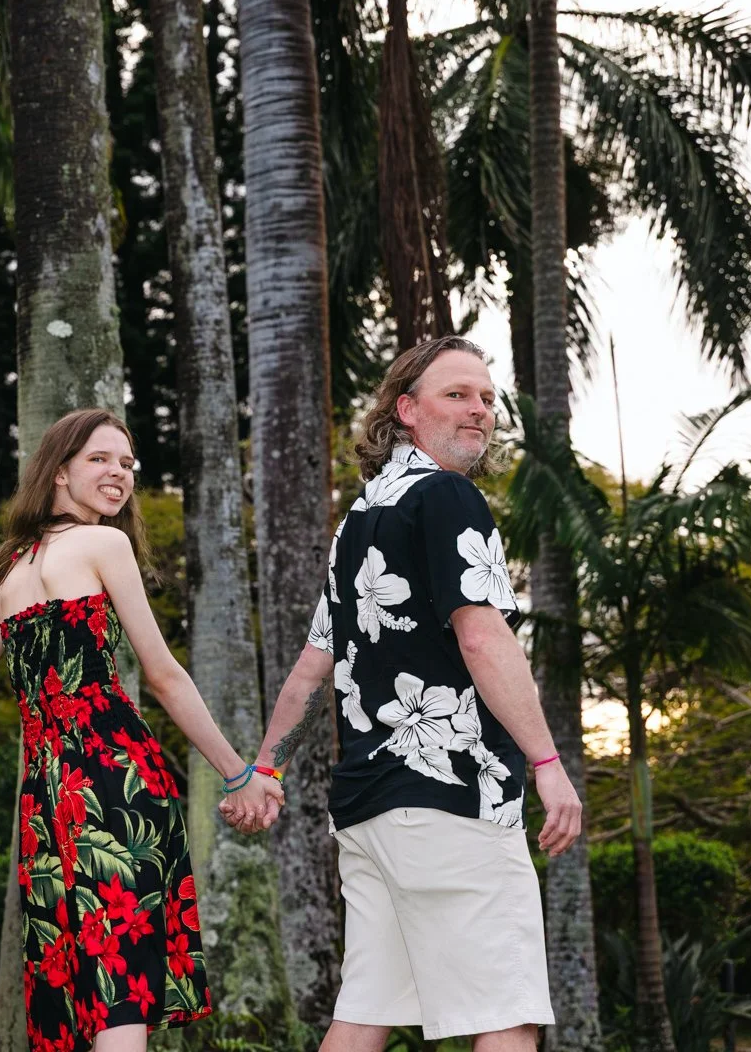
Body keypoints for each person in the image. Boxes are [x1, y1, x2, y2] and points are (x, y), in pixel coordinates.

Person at [0, 408, 281, 1052]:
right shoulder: (104, 545)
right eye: (100, 459)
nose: (118, 473)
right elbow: (164, 674)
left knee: (81, 994)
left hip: (46, 801)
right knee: (121, 991)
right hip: (115, 782)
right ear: (59, 472)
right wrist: (238, 772)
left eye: (127, 463)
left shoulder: (11, 575)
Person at [243, 337, 583, 1050]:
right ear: (405, 410)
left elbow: (312, 667)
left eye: (487, 398)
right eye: (456, 394)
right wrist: (547, 765)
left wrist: (267, 767)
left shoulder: (359, 521)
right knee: (506, 1016)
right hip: (450, 802)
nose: (480, 410)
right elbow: (483, 638)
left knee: (365, 1014)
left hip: (371, 813)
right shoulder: (448, 497)